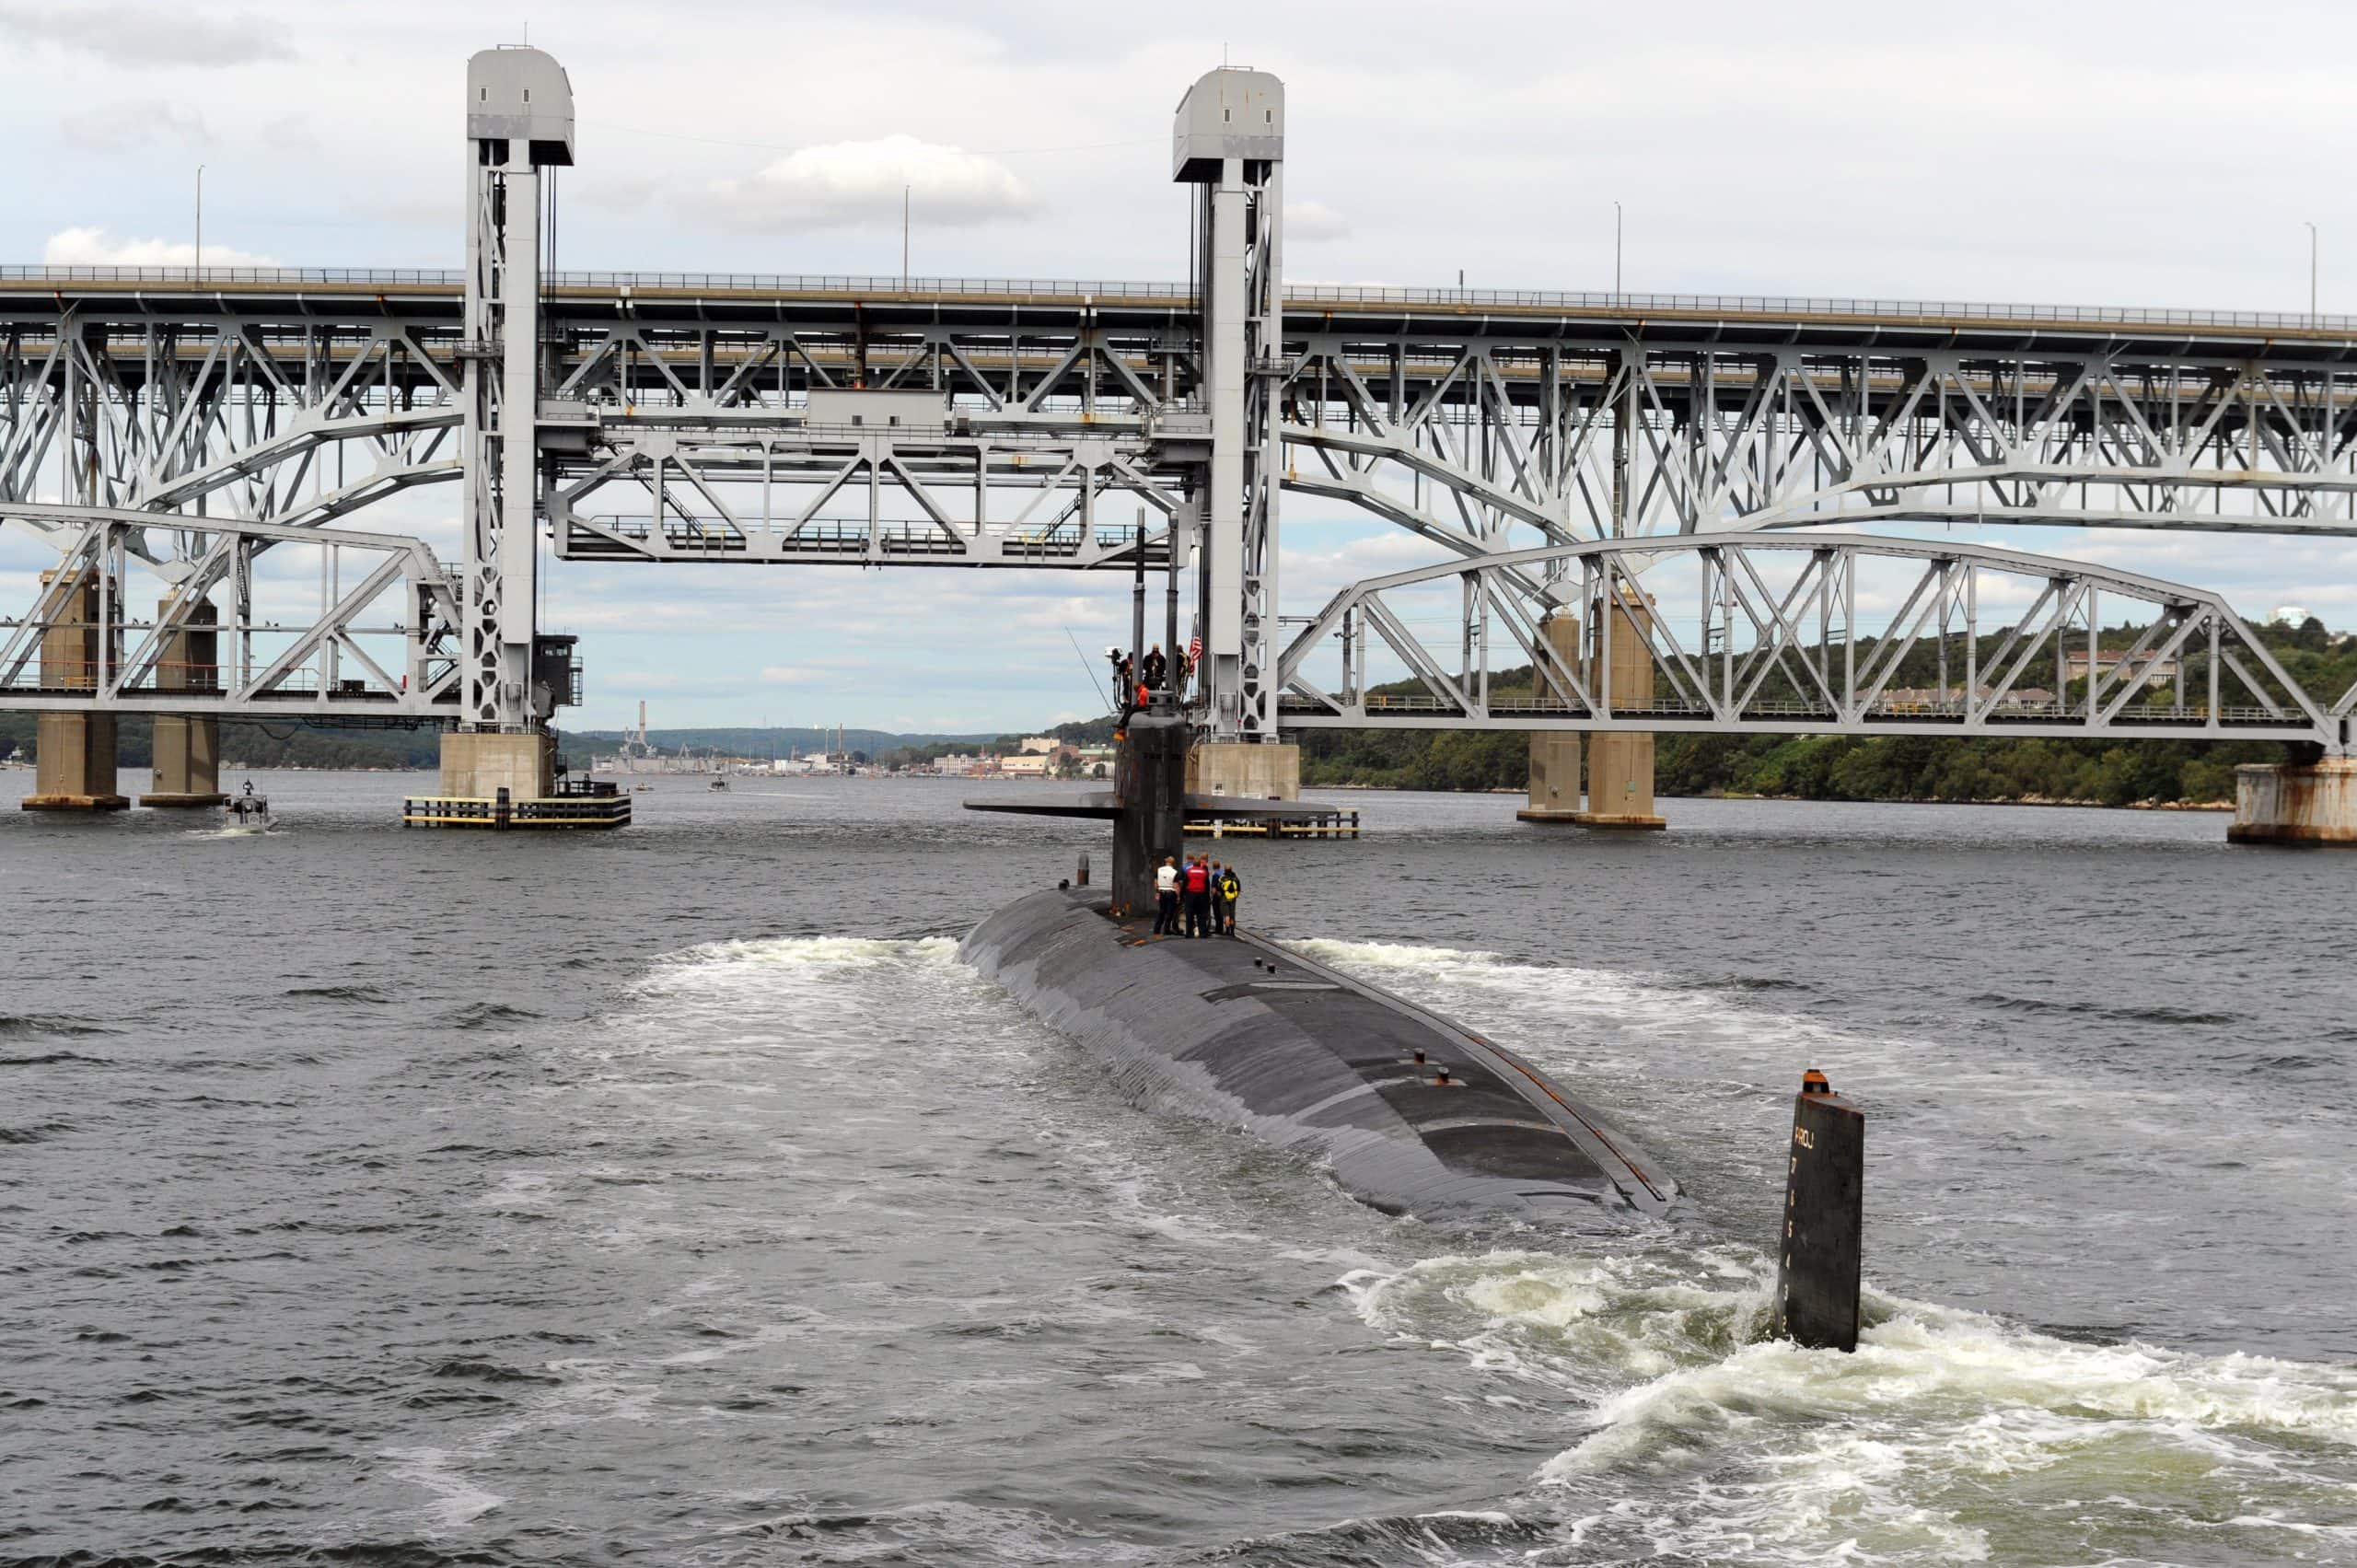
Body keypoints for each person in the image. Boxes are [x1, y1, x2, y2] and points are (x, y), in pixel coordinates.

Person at [1182, 854, 1212, 939]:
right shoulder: (1204, 872)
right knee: (1201, 915)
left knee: (1189, 915)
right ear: (1200, 864)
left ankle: (1189, 933)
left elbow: (1185, 884)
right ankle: (1203, 933)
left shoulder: (1188, 871)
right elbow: (1207, 886)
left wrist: (1182, 896)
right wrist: (1208, 898)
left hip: (1190, 895)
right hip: (1201, 895)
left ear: (1193, 864)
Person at [1152, 855, 1180, 935]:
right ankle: (1166, 930)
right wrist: (1178, 896)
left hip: (1161, 892)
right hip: (1171, 893)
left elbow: (1155, 882)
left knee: (1161, 911)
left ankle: (1156, 929)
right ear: (1173, 863)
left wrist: (1157, 892)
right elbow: (1176, 886)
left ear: (1166, 862)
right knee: (1169, 912)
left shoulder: (1159, 870)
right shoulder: (1174, 872)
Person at [1214, 861, 1241, 935]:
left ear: (1225, 870)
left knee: (1227, 915)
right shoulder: (1236, 878)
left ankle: (1227, 931)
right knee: (1232, 916)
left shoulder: (1222, 878)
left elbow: (1218, 890)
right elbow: (1238, 890)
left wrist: (1221, 897)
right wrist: (1235, 897)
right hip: (1233, 898)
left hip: (1224, 898)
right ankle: (1232, 932)